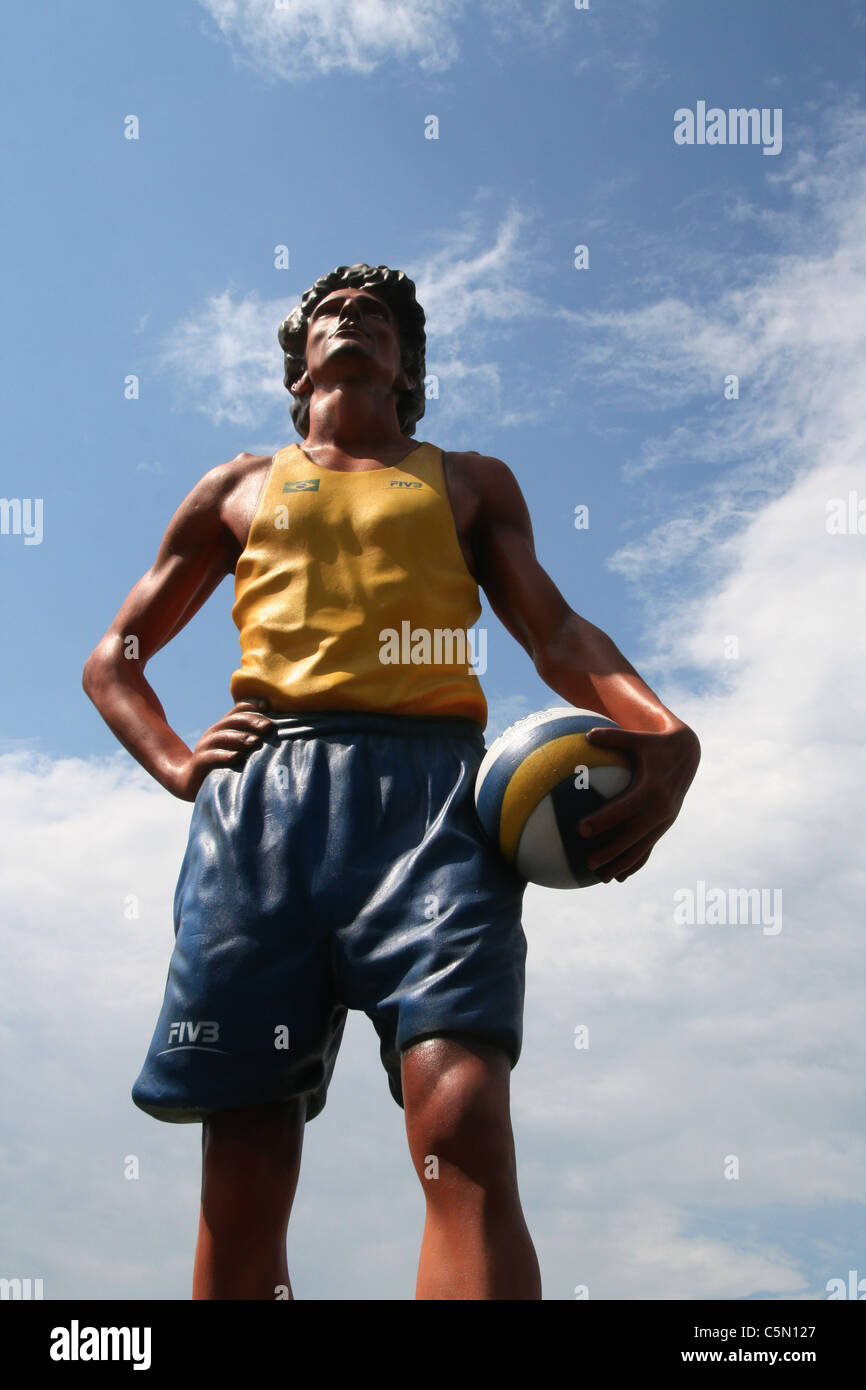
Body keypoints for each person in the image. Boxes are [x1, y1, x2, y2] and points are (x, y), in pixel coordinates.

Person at [82, 263, 700, 1301]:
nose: (350, 319)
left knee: (461, 1119)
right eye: (330, 311)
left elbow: (549, 629)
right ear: (300, 361)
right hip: (264, 805)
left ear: (409, 365)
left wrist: (659, 729)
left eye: (376, 316)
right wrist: (178, 761)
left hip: (435, 810)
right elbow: (114, 657)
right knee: (243, 1153)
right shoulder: (238, 486)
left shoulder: (465, 481)